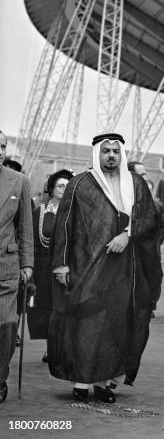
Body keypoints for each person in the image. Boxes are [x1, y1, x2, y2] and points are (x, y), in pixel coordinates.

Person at [49, 133, 162, 403]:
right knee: (86, 321)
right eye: (106, 151)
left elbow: (149, 220)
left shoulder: (135, 183)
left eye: (115, 151)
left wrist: (128, 235)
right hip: (86, 266)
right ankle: (81, 381)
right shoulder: (80, 184)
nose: (111, 155)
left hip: (125, 270)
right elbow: (65, 225)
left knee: (115, 324)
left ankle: (104, 383)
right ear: (97, 154)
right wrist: (61, 264)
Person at [0, 130, 33, 403]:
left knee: (7, 326)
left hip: (7, 267)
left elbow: (25, 228)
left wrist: (27, 264)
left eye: (1, 146)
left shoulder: (19, 182)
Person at [28, 169, 73, 362]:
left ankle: (66, 347)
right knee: (47, 309)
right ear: (52, 189)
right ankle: (50, 347)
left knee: (66, 308)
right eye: (61, 185)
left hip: (68, 267)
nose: (65, 189)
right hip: (45, 267)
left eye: (68, 186)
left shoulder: (76, 213)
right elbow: (33, 242)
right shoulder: (40, 212)